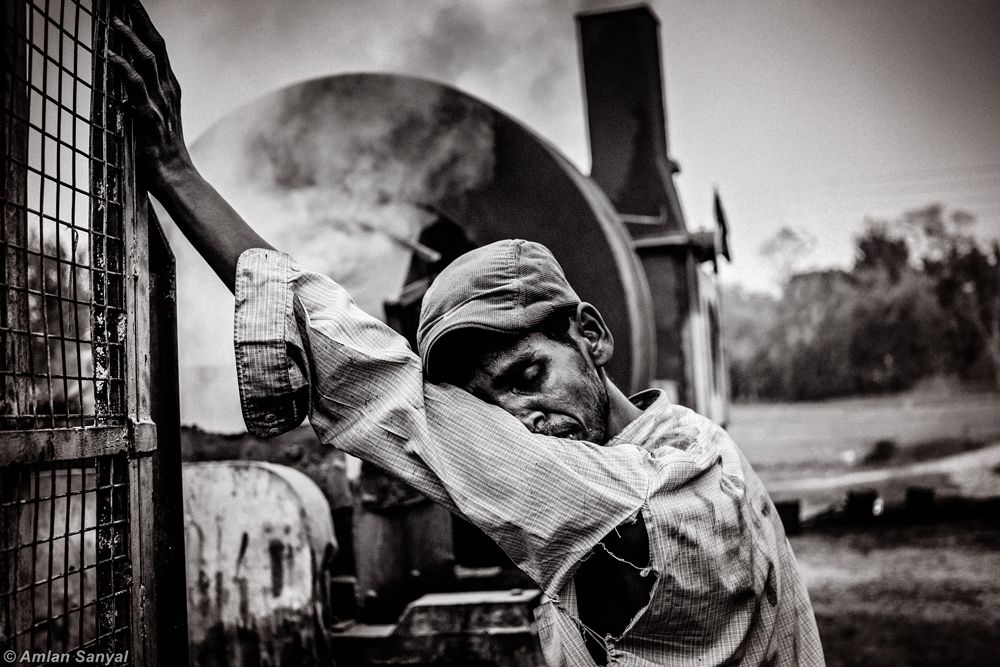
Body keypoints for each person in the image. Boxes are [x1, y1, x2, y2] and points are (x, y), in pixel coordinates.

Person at [109, 2, 825, 665]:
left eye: (526, 375)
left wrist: (176, 172)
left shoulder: (652, 494)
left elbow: (387, 394)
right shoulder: (693, 444)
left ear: (592, 335)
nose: (518, 420)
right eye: (488, 403)